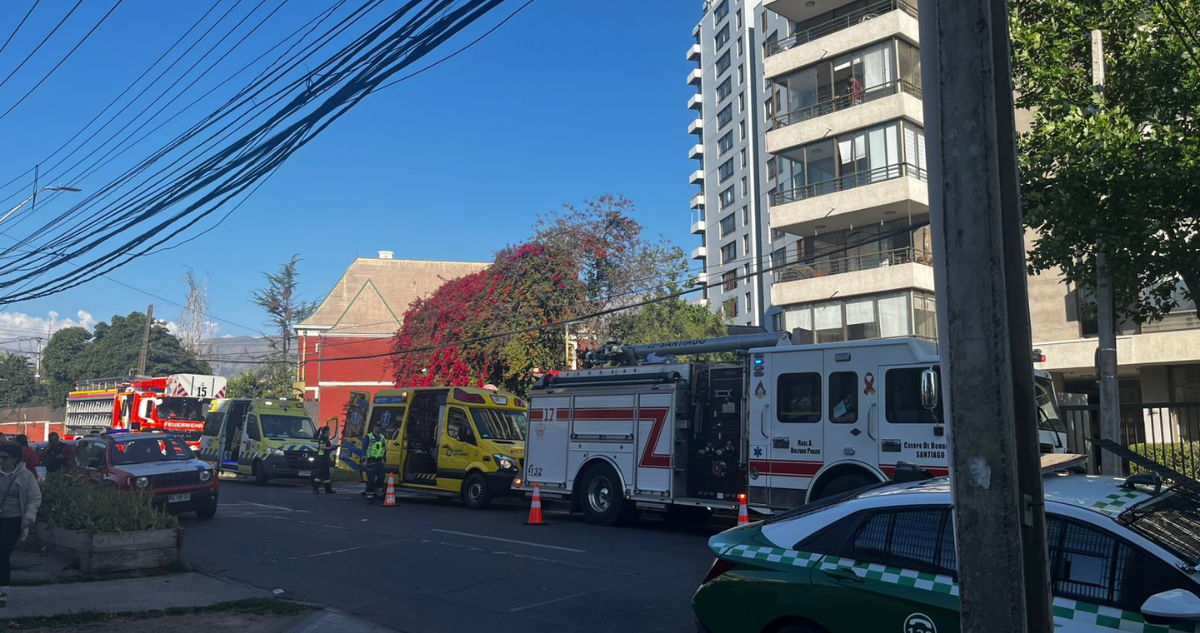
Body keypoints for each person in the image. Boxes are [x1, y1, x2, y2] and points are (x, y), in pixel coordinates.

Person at [0, 442, 41, 608]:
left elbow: (34, 498)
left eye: (4, 458)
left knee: (2, 554)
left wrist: (29, 516)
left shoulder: (25, 476)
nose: (1, 461)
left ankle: (2, 594)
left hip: (14, 519)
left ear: (15, 459)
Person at [361, 424, 386, 500]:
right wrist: (364, 460)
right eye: (377, 427)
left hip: (379, 460)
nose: (379, 428)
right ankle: (369, 493)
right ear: (374, 427)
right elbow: (364, 448)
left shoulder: (382, 437)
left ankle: (375, 488)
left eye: (380, 427)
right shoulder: (368, 437)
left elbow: (384, 449)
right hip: (371, 460)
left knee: (382, 477)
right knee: (371, 480)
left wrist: (384, 459)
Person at [312, 427, 335, 495]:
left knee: (327, 475)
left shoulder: (326, 438)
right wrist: (330, 448)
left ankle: (328, 490)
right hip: (322, 458)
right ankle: (315, 489)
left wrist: (332, 448)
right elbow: (321, 447)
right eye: (329, 431)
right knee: (319, 474)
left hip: (325, 458)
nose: (330, 432)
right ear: (326, 431)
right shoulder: (322, 438)